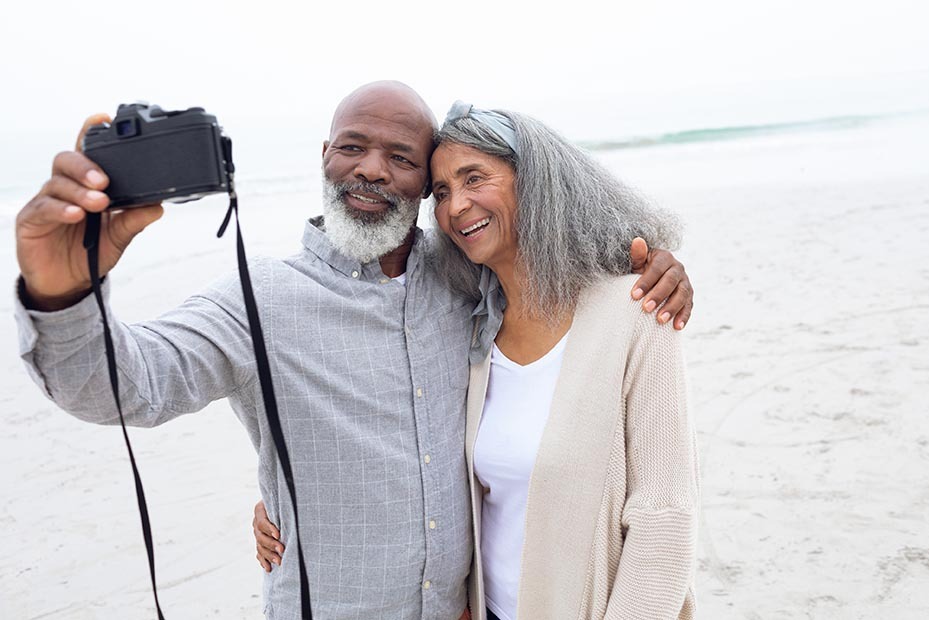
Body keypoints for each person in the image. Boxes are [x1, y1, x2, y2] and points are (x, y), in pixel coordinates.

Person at [15, 82, 694, 620]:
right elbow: (125, 385)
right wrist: (64, 292)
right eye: (353, 147)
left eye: (402, 158)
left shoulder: (465, 282)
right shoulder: (259, 300)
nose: (373, 170)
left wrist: (650, 264)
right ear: (324, 157)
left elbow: (554, 257)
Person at [256, 101, 698, 619]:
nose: (456, 206)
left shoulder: (637, 311)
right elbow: (411, 452)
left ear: (534, 179)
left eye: (474, 178)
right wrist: (280, 500)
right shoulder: (471, 327)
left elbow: (664, 519)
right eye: (440, 192)